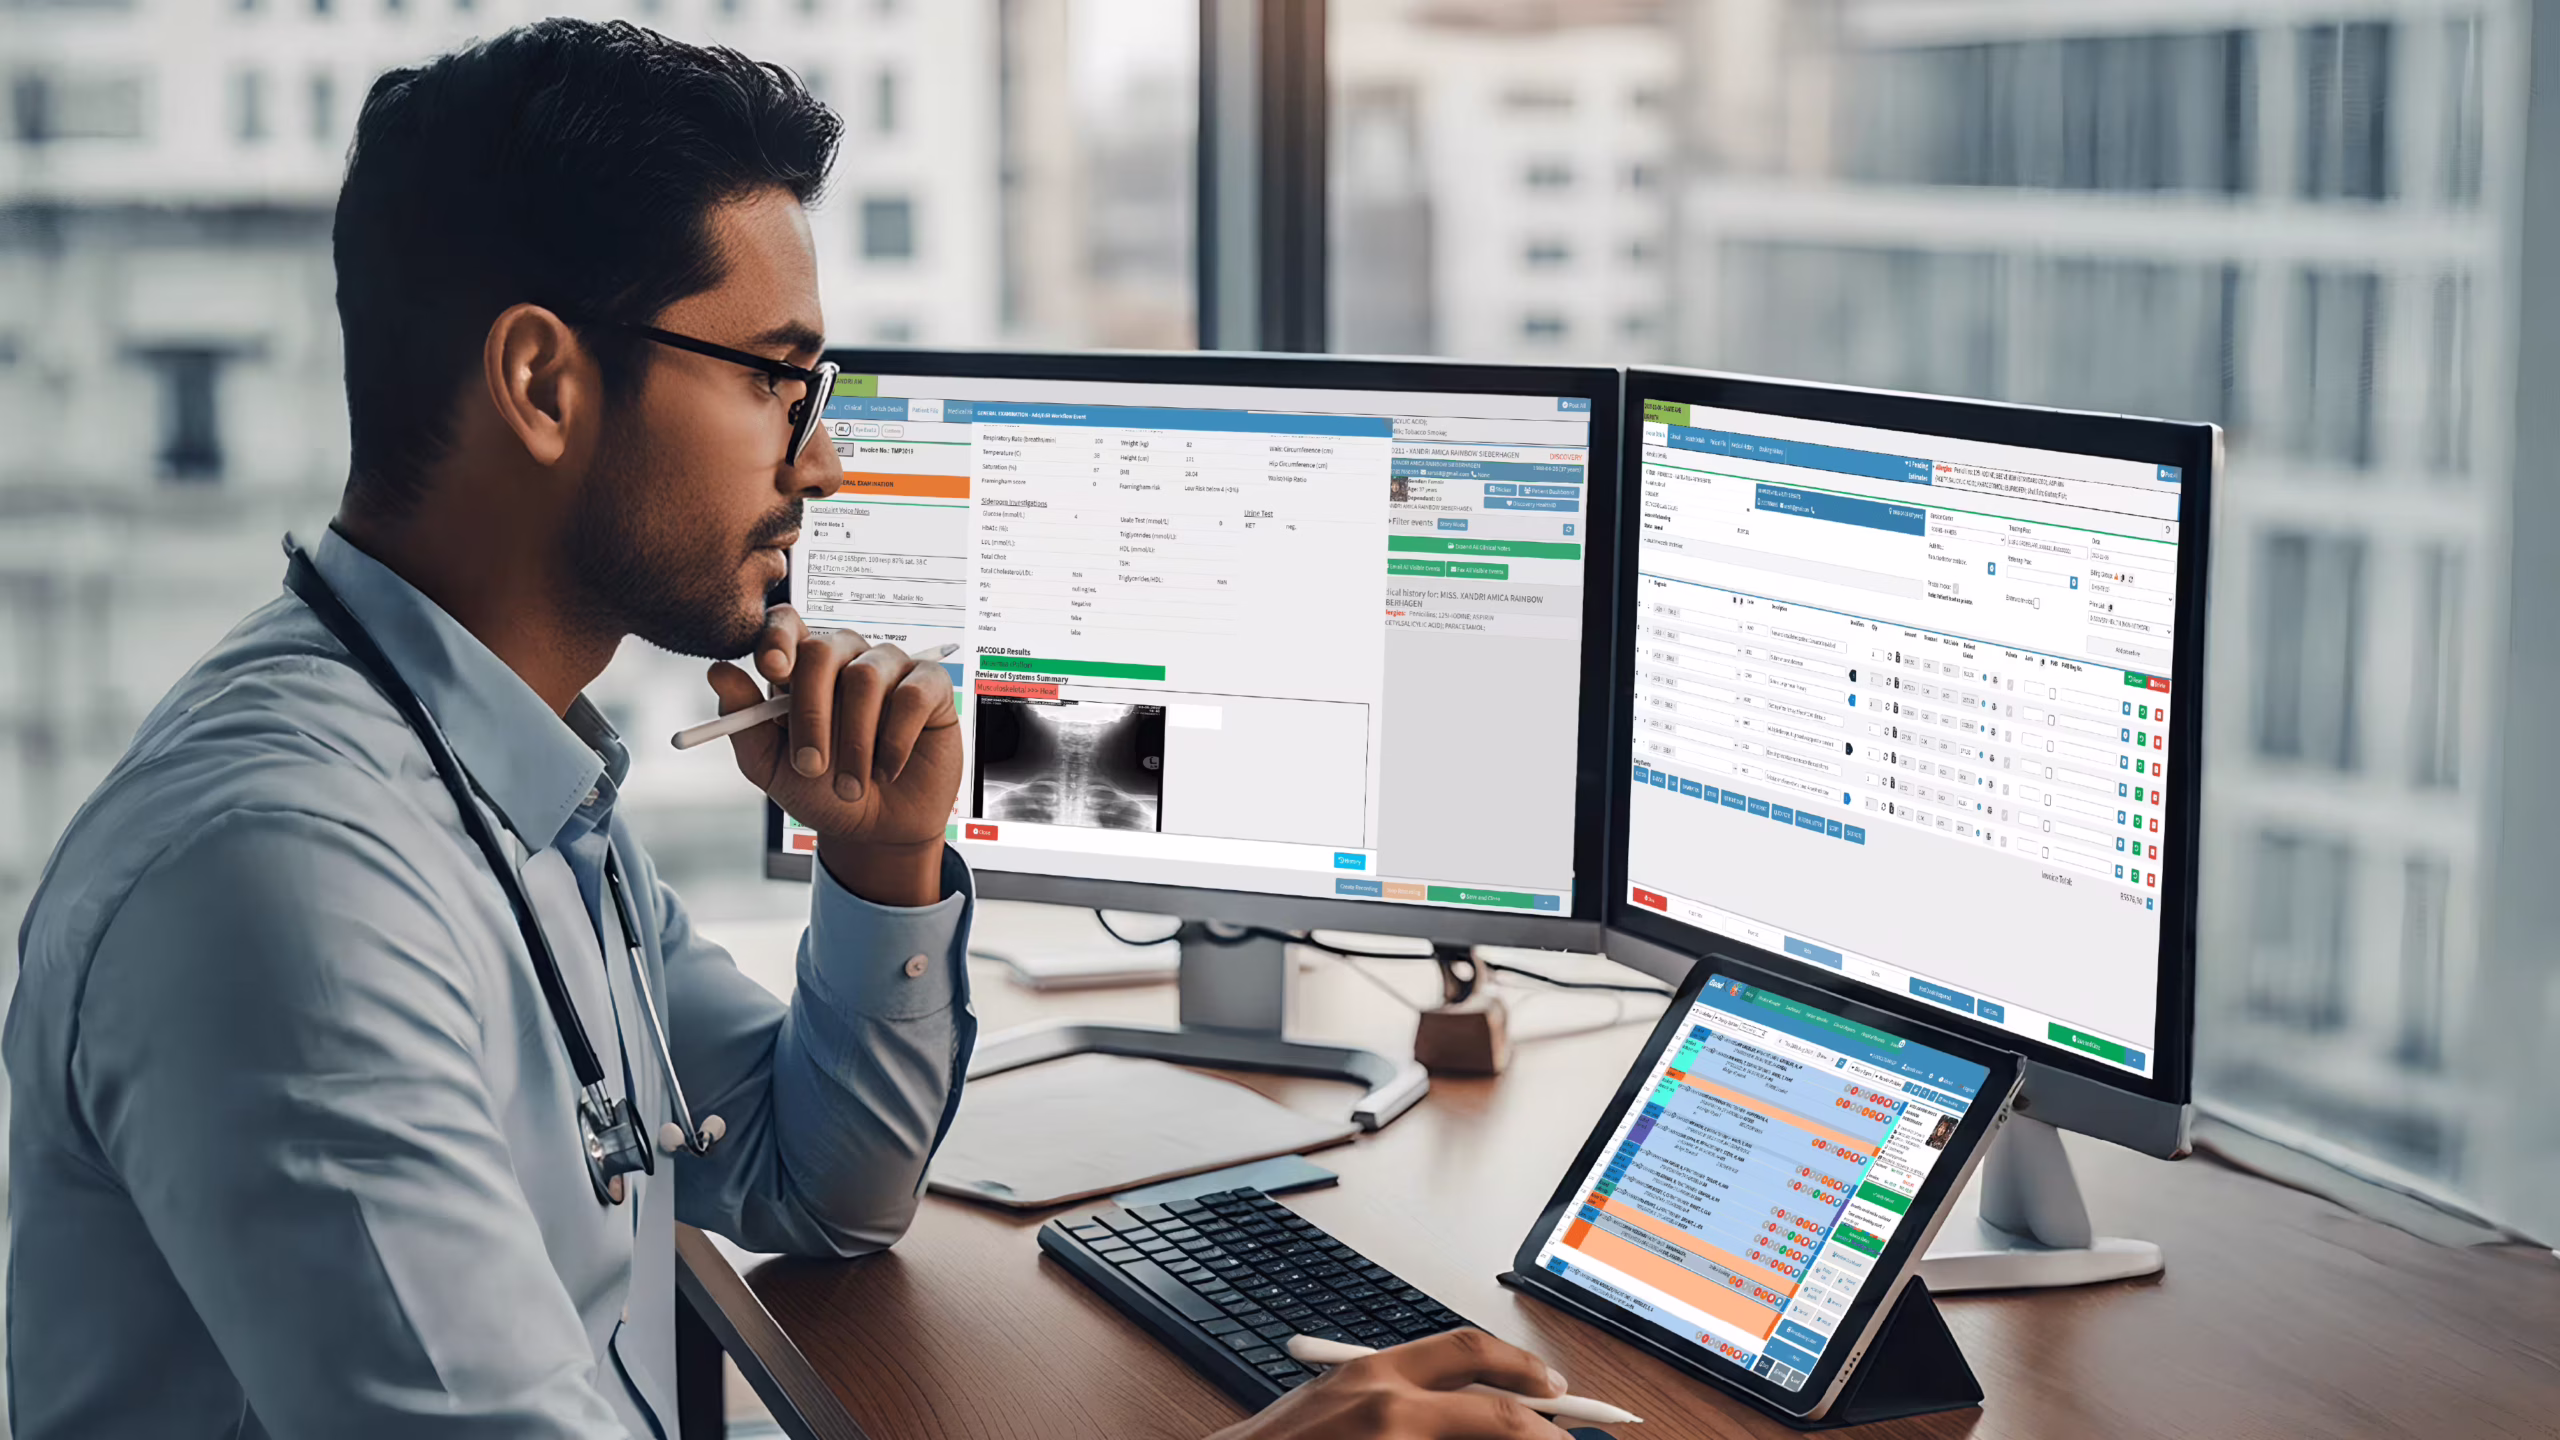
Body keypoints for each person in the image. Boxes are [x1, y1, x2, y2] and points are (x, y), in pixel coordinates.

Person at [3, 19, 1576, 1439]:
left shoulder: (499, 773)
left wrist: (884, 867)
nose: (820, 466)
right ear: (545, 383)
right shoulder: (289, 888)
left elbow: (811, 1184)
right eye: (778, 379)